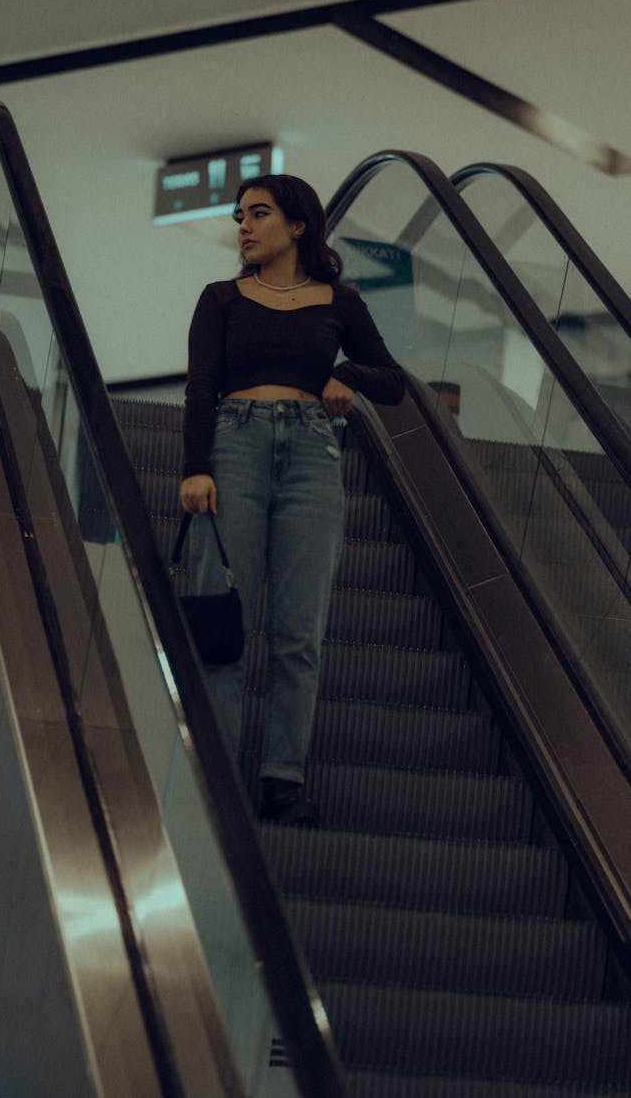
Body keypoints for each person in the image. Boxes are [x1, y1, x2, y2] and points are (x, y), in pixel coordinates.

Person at [179, 173, 404, 823]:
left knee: (298, 628)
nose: (243, 226)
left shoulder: (339, 300)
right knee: (226, 619)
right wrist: (196, 466)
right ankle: (216, 773)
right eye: (240, 216)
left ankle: (282, 774)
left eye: (259, 213)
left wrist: (346, 374)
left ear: (298, 225)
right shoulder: (221, 297)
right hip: (235, 446)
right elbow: (200, 384)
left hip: (312, 452)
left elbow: (392, 382)